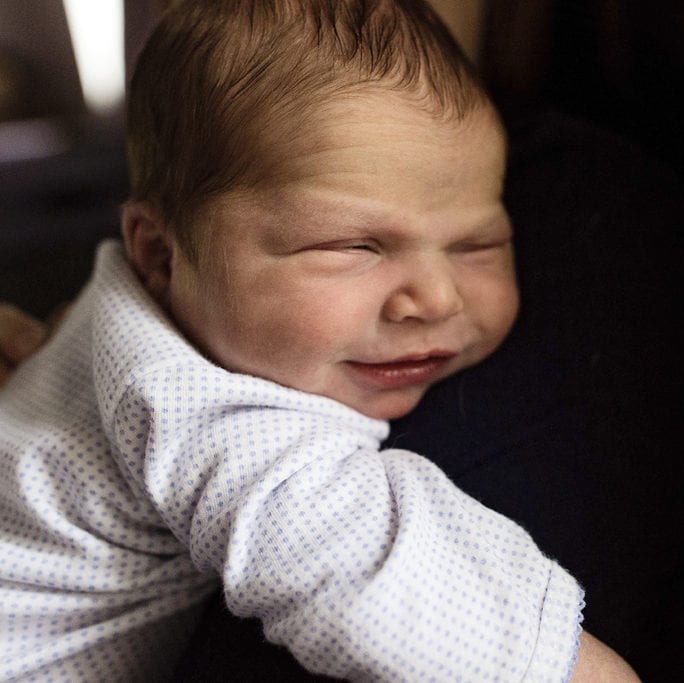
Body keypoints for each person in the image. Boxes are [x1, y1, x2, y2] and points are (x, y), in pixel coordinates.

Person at [0, 1, 640, 680]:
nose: (437, 297)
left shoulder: (126, 309)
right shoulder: (202, 412)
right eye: (355, 246)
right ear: (160, 256)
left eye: (477, 244)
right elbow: (371, 578)